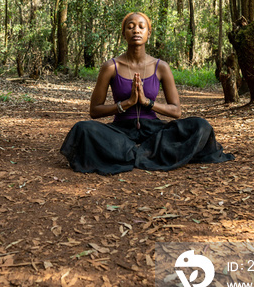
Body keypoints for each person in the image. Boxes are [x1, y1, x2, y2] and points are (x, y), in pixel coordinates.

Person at [60, 12, 234, 175]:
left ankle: (131, 153)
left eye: (141, 27)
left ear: (148, 33)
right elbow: (94, 111)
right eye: (130, 26)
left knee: (200, 125)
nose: (136, 30)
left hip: (154, 131)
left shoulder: (161, 67)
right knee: (82, 128)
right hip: (121, 131)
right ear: (123, 33)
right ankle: (146, 153)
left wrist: (147, 102)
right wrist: (127, 103)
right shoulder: (110, 67)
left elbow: (176, 111)